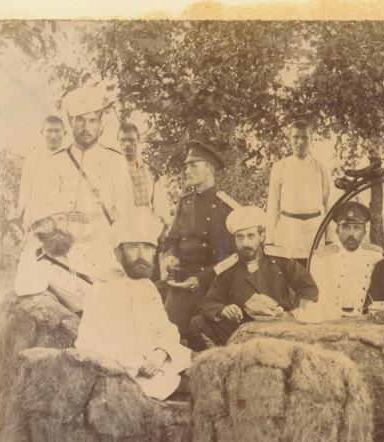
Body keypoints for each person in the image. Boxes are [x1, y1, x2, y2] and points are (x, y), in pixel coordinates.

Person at [75, 208, 191, 401]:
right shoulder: (102, 289)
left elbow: (165, 328)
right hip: (127, 374)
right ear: (118, 253)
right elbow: (89, 341)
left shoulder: (148, 287)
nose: (141, 255)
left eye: (147, 248)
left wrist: (160, 353)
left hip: (159, 365)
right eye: (132, 247)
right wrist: (136, 364)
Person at [37, 84, 135, 281]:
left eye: (92, 120)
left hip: (105, 251)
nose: (86, 127)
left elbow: (125, 213)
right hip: (65, 254)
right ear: (70, 123)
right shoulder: (55, 162)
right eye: (79, 120)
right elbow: (45, 210)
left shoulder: (115, 160)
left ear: (101, 123)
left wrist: (119, 248)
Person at [190, 206, 319, 347]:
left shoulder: (280, 260)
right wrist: (223, 310)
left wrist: (293, 315)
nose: (245, 243)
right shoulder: (229, 268)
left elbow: (309, 288)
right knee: (198, 322)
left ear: (261, 237)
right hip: (241, 332)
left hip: (278, 329)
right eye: (240, 237)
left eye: (250, 236)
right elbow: (209, 302)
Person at [160, 136, 239, 343]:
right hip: (183, 282)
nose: (187, 171)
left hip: (213, 284)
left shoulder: (226, 207)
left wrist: (202, 279)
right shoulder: (184, 203)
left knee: (203, 337)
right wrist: (170, 257)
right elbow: (171, 241)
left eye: (194, 165)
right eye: (187, 166)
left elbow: (233, 256)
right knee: (167, 334)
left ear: (210, 169)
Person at [265, 120, 333, 263]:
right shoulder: (280, 167)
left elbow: (329, 203)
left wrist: (330, 237)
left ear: (311, 139)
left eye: (305, 137)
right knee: (288, 272)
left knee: (314, 271)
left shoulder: (320, 167)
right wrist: (269, 239)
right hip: (288, 232)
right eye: (296, 137)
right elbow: (272, 205)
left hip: (314, 231)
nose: (300, 142)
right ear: (290, 139)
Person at [13, 199, 94, 315]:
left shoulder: (63, 245)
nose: (63, 225)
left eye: (63, 219)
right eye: (59, 219)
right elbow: (23, 287)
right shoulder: (34, 253)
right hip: (82, 313)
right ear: (45, 224)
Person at [310, 201, 383, 314]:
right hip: (330, 317)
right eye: (345, 227)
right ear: (337, 231)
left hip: (362, 318)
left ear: (364, 232)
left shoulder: (375, 255)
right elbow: (316, 298)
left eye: (357, 227)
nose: (351, 234)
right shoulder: (322, 258)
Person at [14, 115, 67, 231]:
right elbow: (25, 193)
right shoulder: (32, 160)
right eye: (49, 131)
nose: (53, 136)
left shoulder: (70, 160)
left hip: (60, 223)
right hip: (35, 220)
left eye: (57, 131)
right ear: (42, 132)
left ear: (64, 133)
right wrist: (22, 216)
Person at [118, 122, 172, 227]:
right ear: (117, 141)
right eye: (122, 140)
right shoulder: (110, 172)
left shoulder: (150, 173)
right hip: (118, 231)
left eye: (131, 140)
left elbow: (162, 211)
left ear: (138, 140)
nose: (127, 144)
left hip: (146, 231)